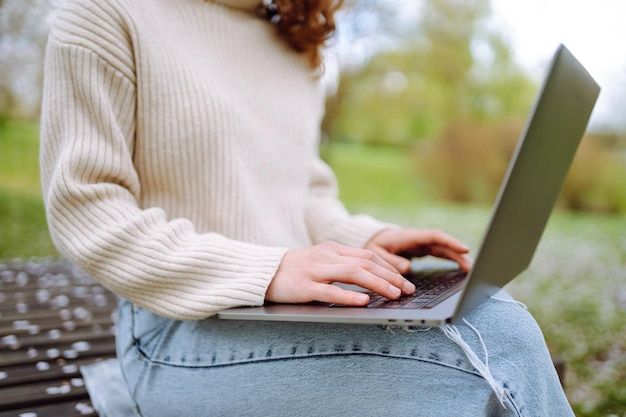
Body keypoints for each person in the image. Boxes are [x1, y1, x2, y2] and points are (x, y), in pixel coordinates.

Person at [39, 0, 574, 415]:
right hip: (172, 331)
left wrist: (365, 239)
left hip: (285, 314)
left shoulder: (292, 43)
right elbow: (87, 208)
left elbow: (305, 192)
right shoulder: (103, 16)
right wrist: (267, 268)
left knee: (488, 317)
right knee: (496, 345)